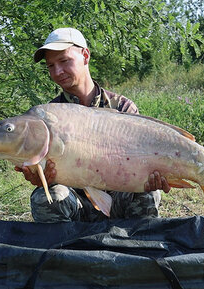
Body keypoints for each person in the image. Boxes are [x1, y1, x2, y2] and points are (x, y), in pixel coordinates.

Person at [16, 28, 171, 223]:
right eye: (50, 66)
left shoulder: (122, 108)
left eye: (64, 61)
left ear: (85, 55)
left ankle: (136, 248)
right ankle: (66, 252)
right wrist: (41, 179)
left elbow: (146, 160)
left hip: (119, 200)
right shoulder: (49, 118)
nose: (57, 72)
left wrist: (156, 176)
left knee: (148, 194)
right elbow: (46, 175)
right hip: (76, 206)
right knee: (45, 197)